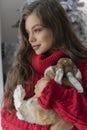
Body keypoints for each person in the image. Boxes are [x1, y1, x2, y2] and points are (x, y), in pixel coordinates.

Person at [1, 0, 87, 130]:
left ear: (56, 28)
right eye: (28, 32)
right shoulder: (21, 69)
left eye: (37, 30)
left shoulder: (82, 65)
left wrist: (52, 91)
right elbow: (6, 119)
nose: (31, 39)